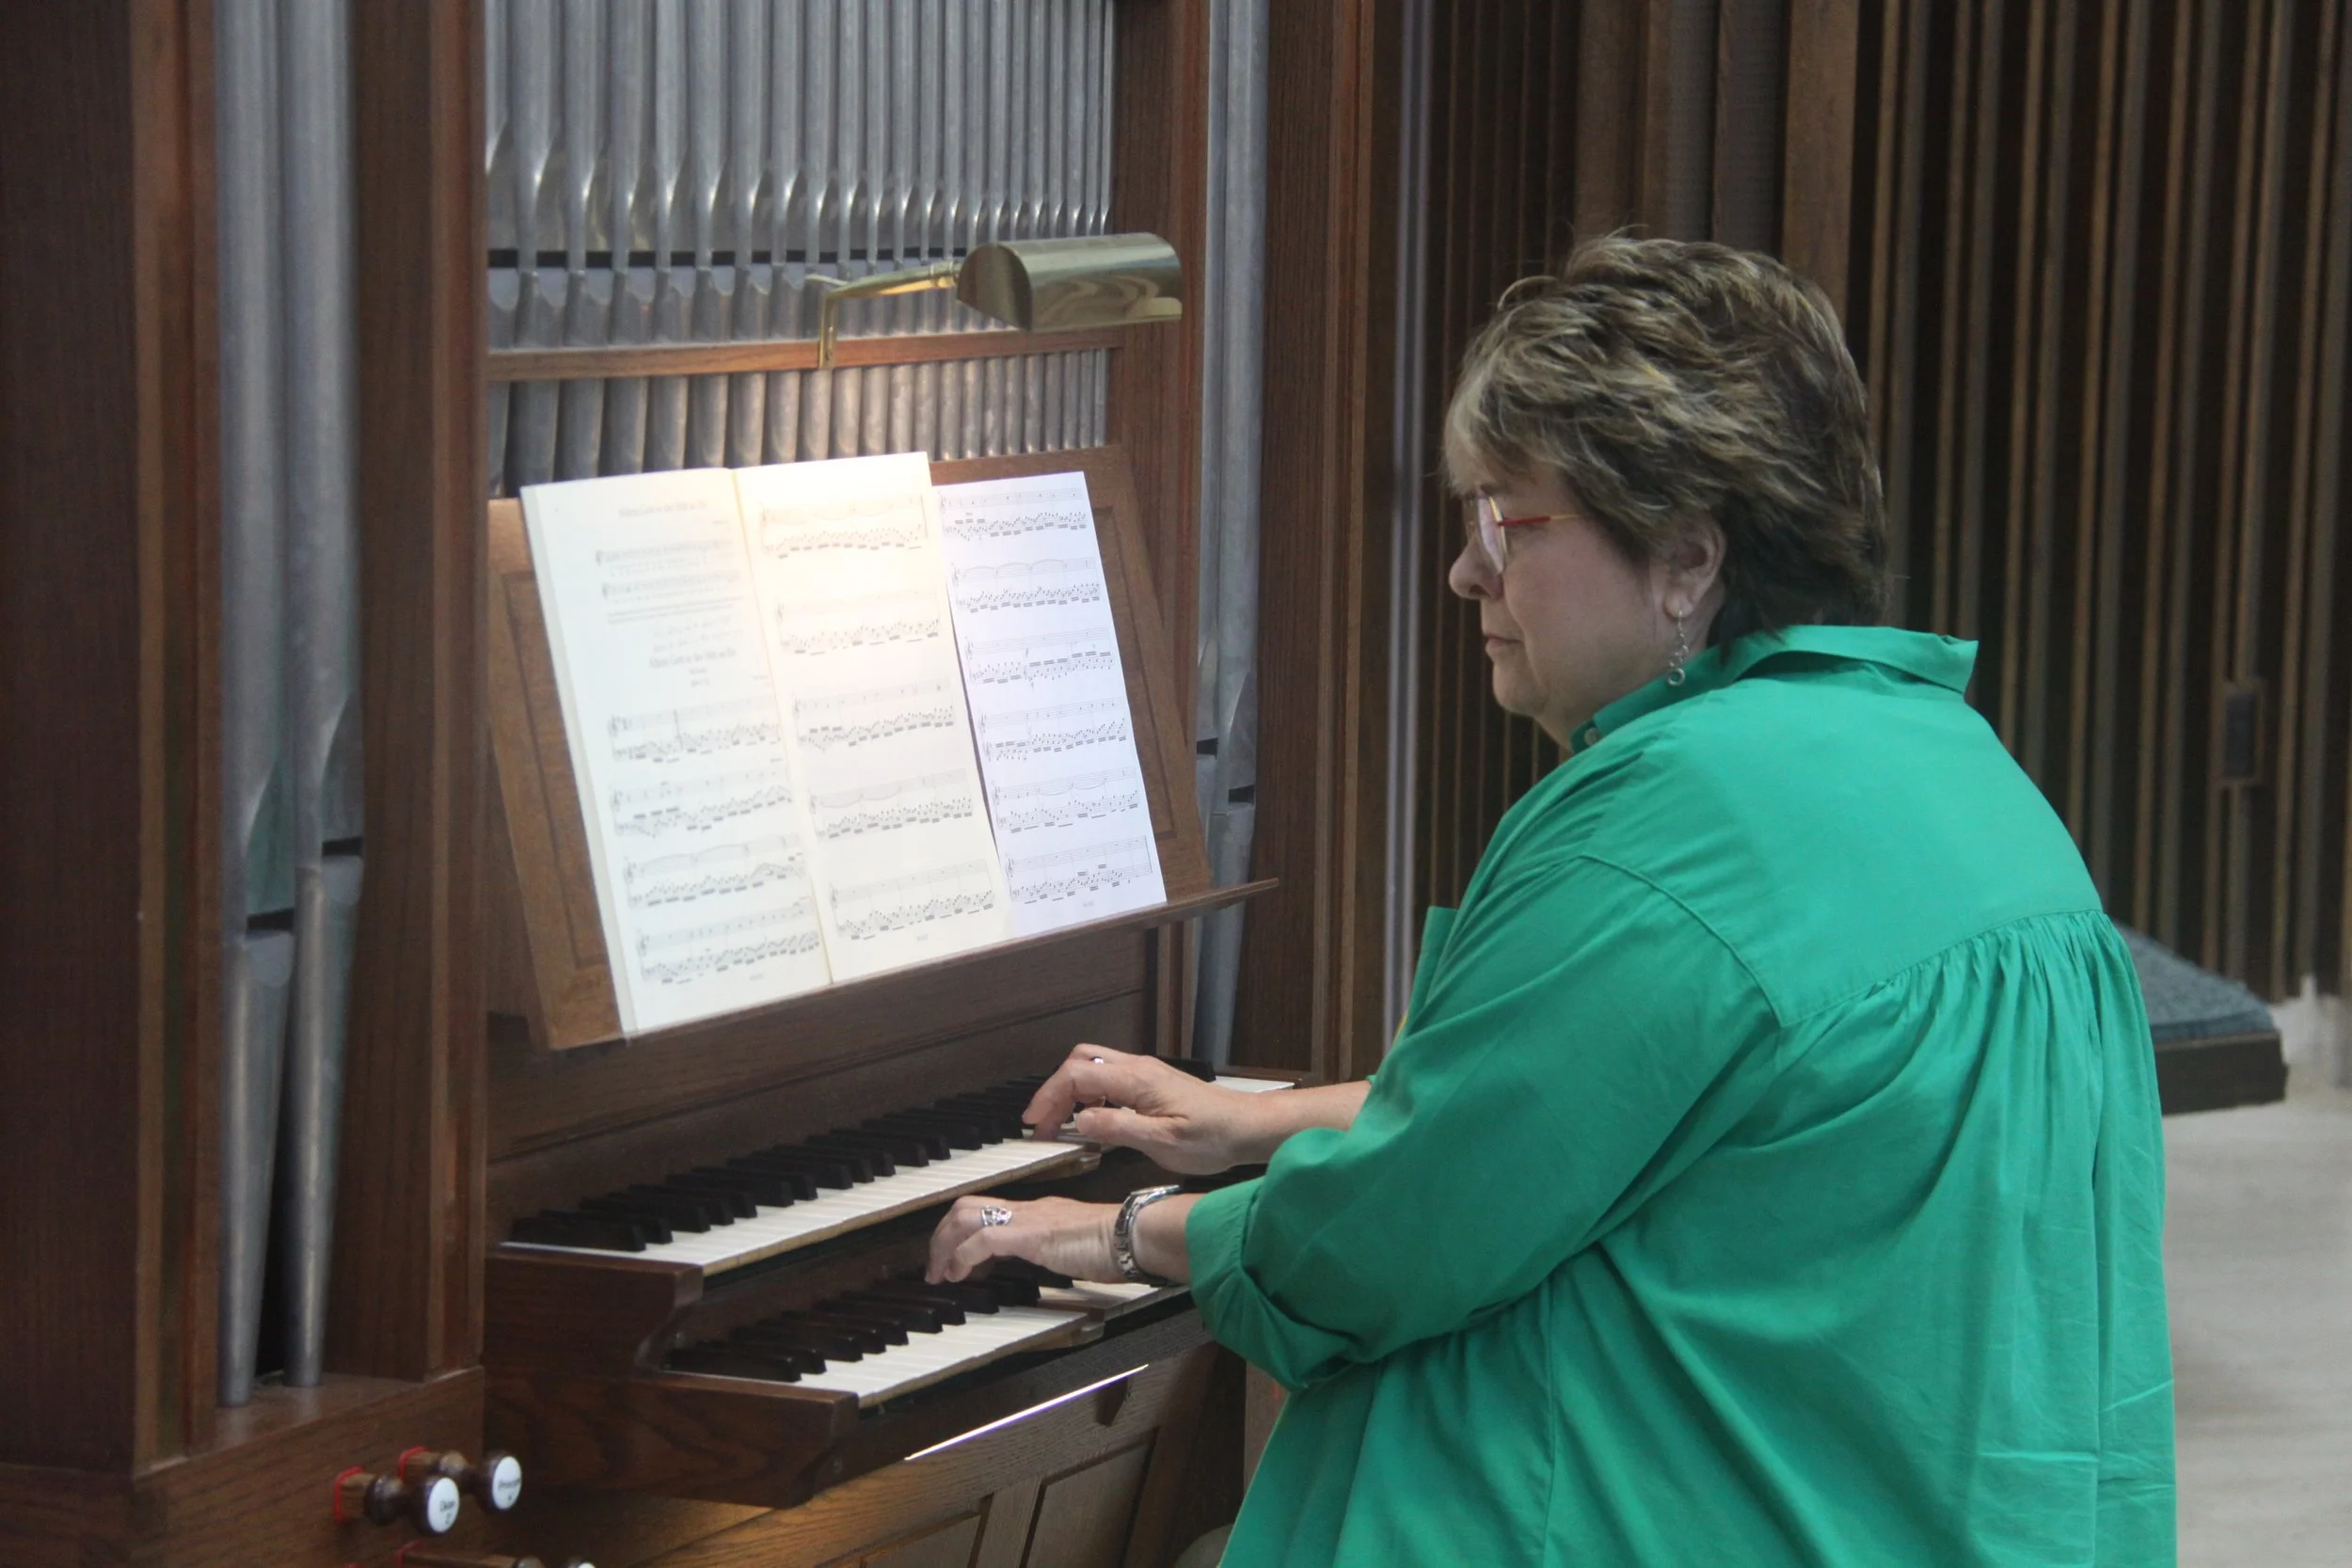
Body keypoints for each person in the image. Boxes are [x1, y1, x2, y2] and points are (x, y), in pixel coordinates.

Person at [928, 234, 2175, 1565]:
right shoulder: (1948, 766)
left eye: (1506, 520)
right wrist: (1257, 1119)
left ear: (1688, 557)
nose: (1468, 572)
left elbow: (1389, 1242)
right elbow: (1670, 1101)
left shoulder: (1673, 821)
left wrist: (1112, 1228)